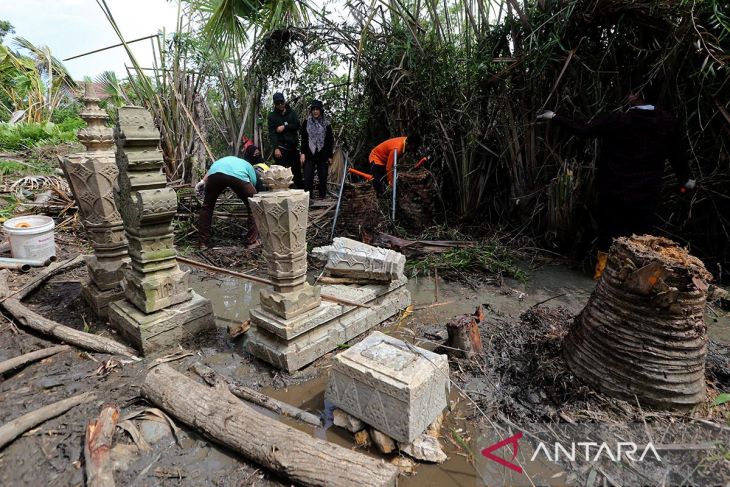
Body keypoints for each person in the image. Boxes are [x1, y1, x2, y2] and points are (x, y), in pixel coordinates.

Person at [537, 93, 696, 279]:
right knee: (641, 237)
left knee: (609, 232)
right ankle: (632, 280)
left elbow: (585, 131)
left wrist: (555, 117)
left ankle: (602, 275)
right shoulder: (667, 123)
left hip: (614, 188)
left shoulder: (620, 120)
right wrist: (685, 180)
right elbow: (678, 156)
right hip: (646, 193)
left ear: (637, 95)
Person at [196, 155, 259, 249]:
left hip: (215, 174)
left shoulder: (220, 161)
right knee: (255, 206)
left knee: (207, 207)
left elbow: (211, 171)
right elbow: (252, 183)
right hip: (237, 175)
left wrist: (202, 181)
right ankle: (251, 242)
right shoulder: (249, 166)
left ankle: (203, 243)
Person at [300, 99, 334, 199]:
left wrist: (330, 156)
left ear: (321, 111)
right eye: (313, 109)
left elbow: (330, 140)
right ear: (311, 111)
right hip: (309, 154)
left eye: (317, 109)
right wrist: (302, 153)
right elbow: (304, 139)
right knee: (307, 177)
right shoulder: (306, 122)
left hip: (322, 154)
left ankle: (322, 197)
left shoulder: (326, 123)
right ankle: (308, 198)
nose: (315, 111)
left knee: (323, 178)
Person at [267, 92, 302, 188]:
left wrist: (285, 127)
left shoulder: (292, 113)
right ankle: (284, 195)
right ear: (275, 104)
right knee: (282, 173)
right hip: (281, 147)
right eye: (277, 104)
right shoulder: (272, 116)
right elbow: (272, 133)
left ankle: (300, 193)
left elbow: (297, 125)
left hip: (293, 147)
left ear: (284, 101)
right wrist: (276, 148)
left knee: (296, 172)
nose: (280, 105)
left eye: (281, 103)